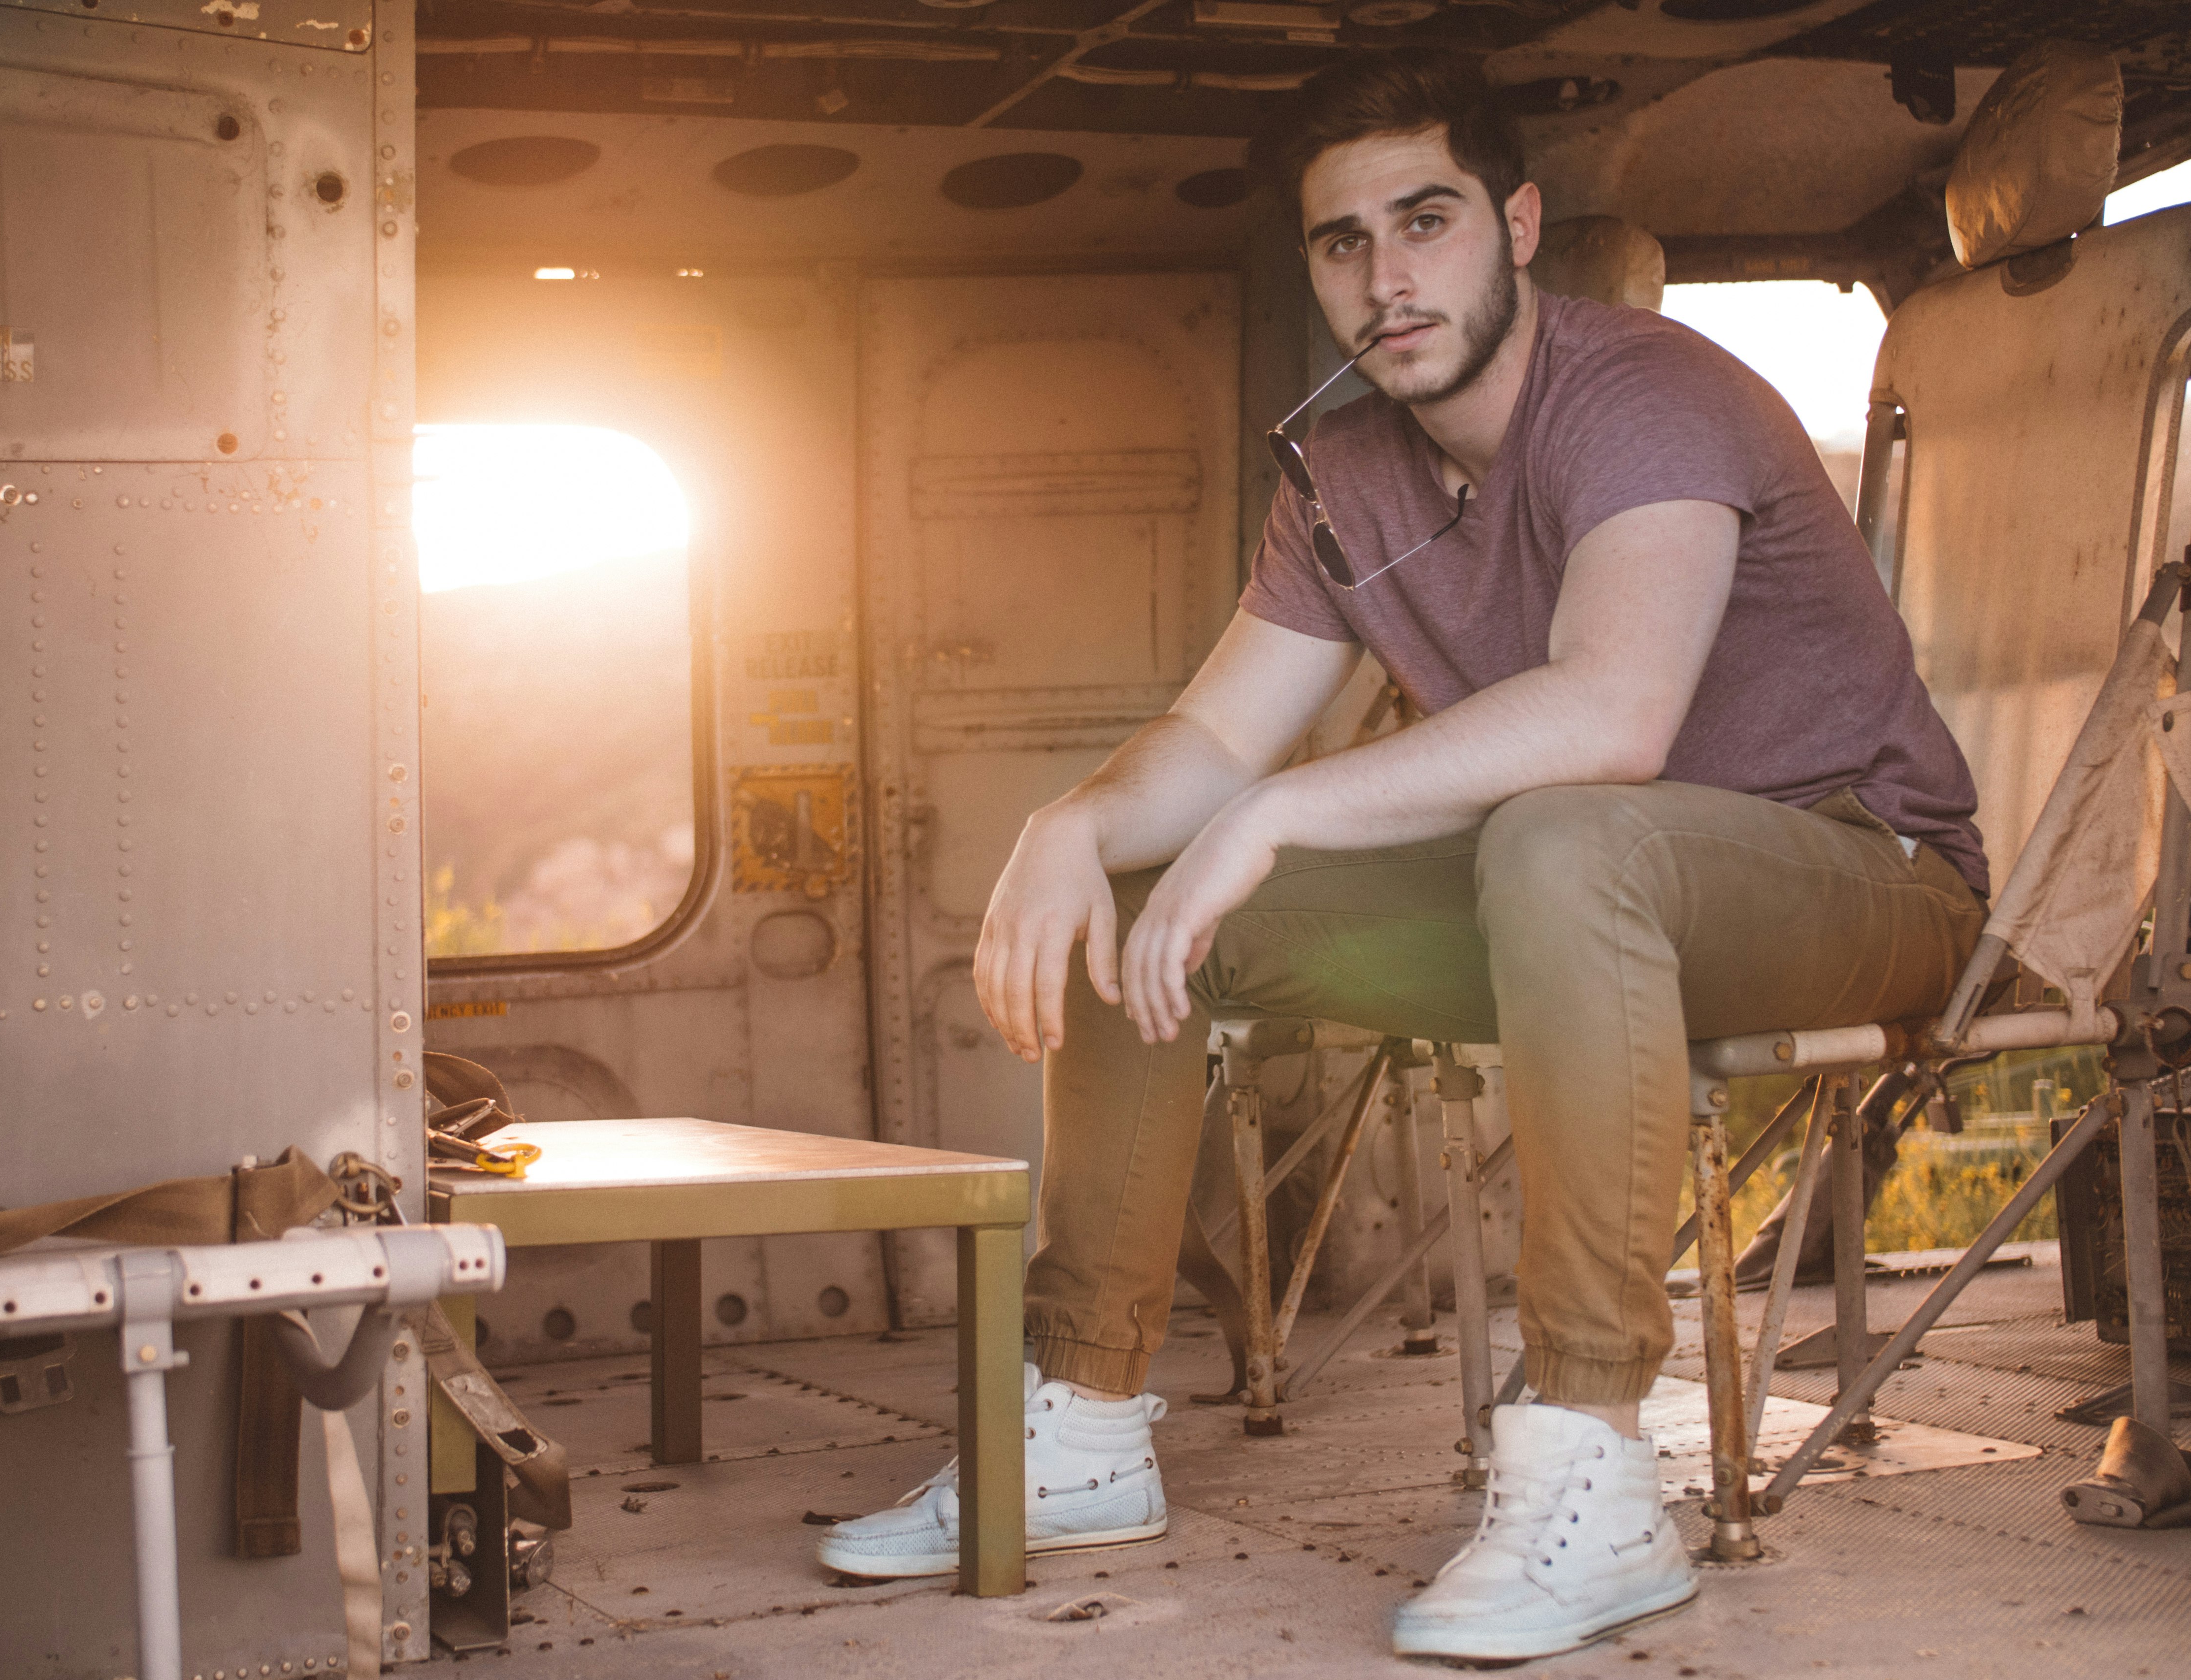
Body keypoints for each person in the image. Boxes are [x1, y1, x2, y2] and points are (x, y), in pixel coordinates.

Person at [818, 48, 1989, 1664]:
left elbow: (1613, 713)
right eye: (1342, 242)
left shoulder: (1644, 391)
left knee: (1565, 835)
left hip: (1860, 872)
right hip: (1575, 899)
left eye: (1424, 221)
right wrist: (1068, 826)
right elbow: (1219, 742)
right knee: (1155, 903)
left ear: (1513, 224)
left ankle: (1593, 1463)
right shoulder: (1345, 471)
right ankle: (1083, 1422)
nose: (1387, 275)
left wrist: (1288, 810)